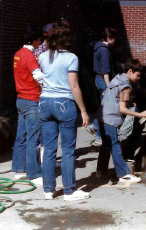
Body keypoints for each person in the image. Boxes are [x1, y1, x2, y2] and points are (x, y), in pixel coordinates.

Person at [38, 20, 90, 201]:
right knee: (68, 149)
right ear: (67, 38)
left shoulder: (43, 57)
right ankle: (69, 190)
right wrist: (83, 110)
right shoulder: (71, 58)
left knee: (49, 148)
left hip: (44, 102)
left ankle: (48, 190)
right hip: (64, 103)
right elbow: (74, 86)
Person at [96, 59, 146, 182]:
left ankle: (101, 170)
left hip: (102, 115)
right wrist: (139, 114)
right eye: (138, 75)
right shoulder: (126, 86)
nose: (139, 78)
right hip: (110, 117)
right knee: (115, 144)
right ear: (130, 71)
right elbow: (122, 108)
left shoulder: (118, 78)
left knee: (106, 144)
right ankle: (123, 174)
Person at [12, 25, 44, 185]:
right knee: (33, 138)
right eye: (40, 40)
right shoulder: (29, 56)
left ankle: (19, 170)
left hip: (21, 99)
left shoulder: (18, 54)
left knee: (21, 136)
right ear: (36, 40)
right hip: (32, 99)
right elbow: (39, 77)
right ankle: (34, 173)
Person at [86, 28, 118, 147]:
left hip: (98, 79)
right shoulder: (104, 51)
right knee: (105, 109)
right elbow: (105, 70)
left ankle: (96, 129)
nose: (115, 41)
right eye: (114, 38)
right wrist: (109, 85)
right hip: (103, 80)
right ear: (109, 37)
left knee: (103, 107)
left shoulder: (98, 48)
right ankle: (97, 133)